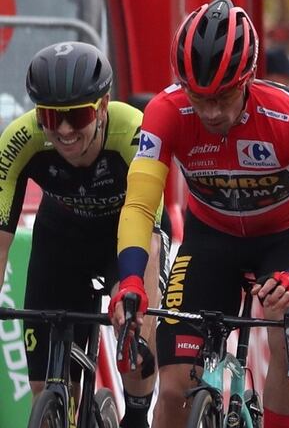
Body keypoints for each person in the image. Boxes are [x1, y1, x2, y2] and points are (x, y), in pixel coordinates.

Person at [109, 0, 289, 428]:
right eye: (200, 98)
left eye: (224, 97)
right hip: (211, 237)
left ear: (248, 79)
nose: (212, 112)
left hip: (286, 238)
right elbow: (141, 206)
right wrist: (129, 278)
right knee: (177, 386)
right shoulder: (166, 112)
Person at [0, 42, 166, 428]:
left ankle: (137, 415)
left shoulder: (132, 132)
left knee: (135, 323)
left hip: (125, 236)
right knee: (44, 386)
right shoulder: (20, 139)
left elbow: (149, 234)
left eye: (77, 116)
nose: (62, 130)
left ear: (103, 106)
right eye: (49, 116)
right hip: (60, 240)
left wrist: (132, 292)